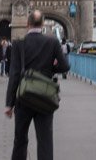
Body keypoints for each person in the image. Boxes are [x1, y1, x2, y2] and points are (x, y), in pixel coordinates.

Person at [5, 10, 70, 160]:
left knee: (20, 139)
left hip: (23, 98)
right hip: (45, 97)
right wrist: (50, 69)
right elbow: (65, 67)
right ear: (42, 24)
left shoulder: (18, 43)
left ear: (27, 24)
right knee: (45, 141)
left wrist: (9, 104)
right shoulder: (52, 42)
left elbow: (14, 75)